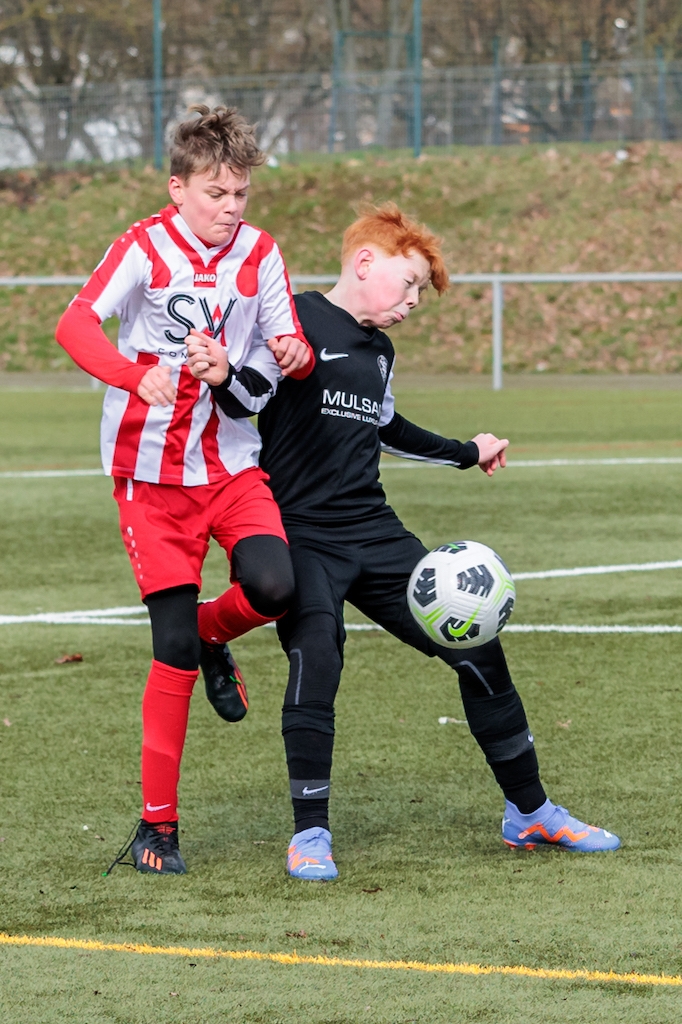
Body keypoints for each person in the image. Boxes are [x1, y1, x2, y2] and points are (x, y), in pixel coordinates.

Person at [187, 203, 620, 881]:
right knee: (318, 654)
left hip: (375, 531)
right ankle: (310, 834)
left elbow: (386, 427)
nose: (414, 300)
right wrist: (220, 373)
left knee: (476, 647)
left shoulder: (379, 352)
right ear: (365, 262)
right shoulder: (290, 318)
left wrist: (466, 451)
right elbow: (245, 397)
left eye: (420, 290)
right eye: (410, 281)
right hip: (300, 532)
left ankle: (530, 811)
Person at [55, 105, 313, 875]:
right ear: (178, 187)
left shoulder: (261, 253)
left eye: (241, 194)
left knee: (275, 587)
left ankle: (212, 633)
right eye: (216, 193)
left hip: (231, 467)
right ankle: (157, 829)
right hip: (151, 479)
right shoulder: (141, 246)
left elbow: (289, 352)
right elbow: (75, 325)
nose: (231, 208)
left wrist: (280, 356)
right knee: (168, 648)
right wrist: (134, 375)